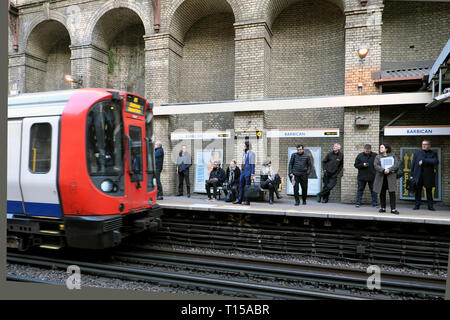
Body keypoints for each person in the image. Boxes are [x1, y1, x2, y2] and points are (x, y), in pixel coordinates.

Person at [411, 140, 439, 211]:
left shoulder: (433, 153)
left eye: (425, 144)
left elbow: (435, 161)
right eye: (423, 144)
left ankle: (430, 206)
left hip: (428, 175)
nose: (423, 145)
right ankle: (417, 205)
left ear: (429, 145)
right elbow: (413, 165)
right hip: (418, 175)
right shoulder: (417, 154)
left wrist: (424, 161)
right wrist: (412, 175)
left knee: (429, 191)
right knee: (418, 191)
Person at [373, 144, 399, 215]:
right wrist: (383, 170)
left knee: (392, 193)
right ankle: (383, 208)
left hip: (390, 177)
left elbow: (396, 165)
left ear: (386, 149)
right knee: (382, 193)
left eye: (382, 147)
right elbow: (376, 165)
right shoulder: (378, 157)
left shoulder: (393, 156)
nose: (380, 148)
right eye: (380, 147)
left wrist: (389, 169)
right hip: (381, 177)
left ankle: (393, 209)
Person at [233, 141, 256, 205]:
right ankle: (239, 200)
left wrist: (252, 174)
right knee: (241, 186)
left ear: (247, 146)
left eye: (244, 146)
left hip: (248, 172)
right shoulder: (244, 153)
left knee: (247, 187)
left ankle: (247, 201)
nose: (243, 147)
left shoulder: (252, 154)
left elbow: (252, 164)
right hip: (242, 172)